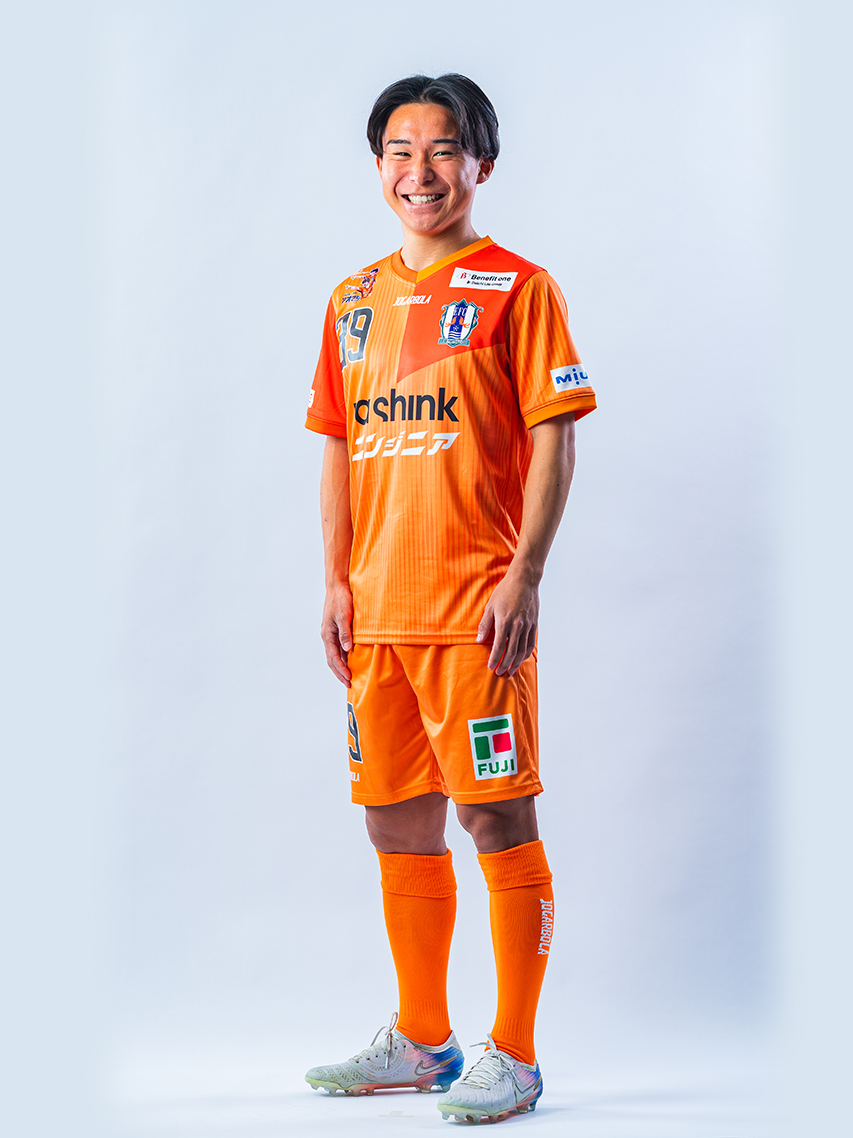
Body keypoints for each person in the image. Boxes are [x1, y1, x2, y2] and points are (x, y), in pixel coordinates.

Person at [303, 73, 596, 1124]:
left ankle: (513, 1053)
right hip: (378, 613)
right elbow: (338, 446)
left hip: (475, 609)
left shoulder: (520, 288)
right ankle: (423, 1039)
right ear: (378, 165)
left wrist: (526, 574)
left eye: (440, 150)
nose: (418, 172)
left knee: (494, 814)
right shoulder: (351, 301)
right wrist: (335, 580)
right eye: (398, 151)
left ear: (481, 162)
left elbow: (554, 437)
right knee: (395, 824)